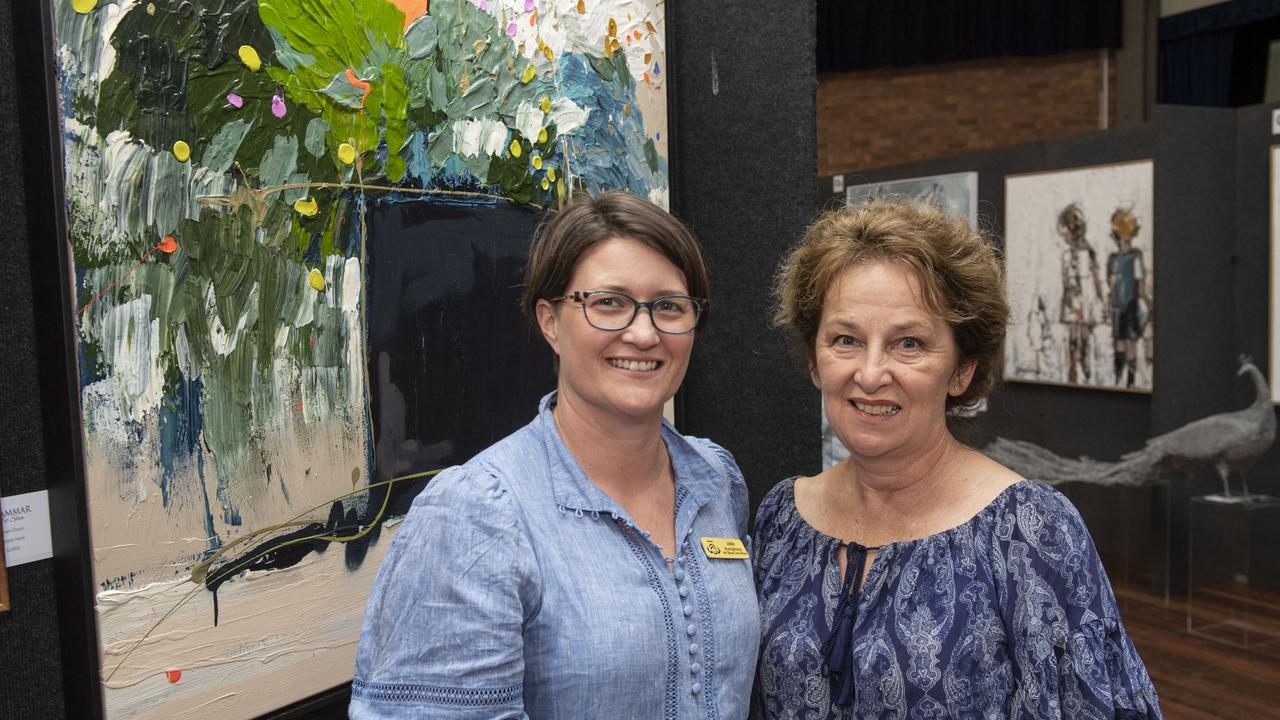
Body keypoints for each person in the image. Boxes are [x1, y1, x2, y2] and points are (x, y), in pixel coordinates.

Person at [350, 190, 759, 719]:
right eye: (608, 302)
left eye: (669, 307)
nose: (643, 332)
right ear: (549, 321)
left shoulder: (716, 480)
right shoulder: (478, 516)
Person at [754, 199, 1161, 719]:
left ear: (962, 370)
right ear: (815, 360)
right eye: (846, 339)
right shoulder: (781, 521)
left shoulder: (1030, 532)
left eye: (909, 343)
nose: (872, 372)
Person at [1057, 203, 1106, 385]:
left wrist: (1101, 300)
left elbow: (1095, 278)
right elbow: (1065, 282)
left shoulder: (1087, 252)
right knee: (1073, 336)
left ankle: (1082, 365)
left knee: (1082, 335)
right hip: (1074, 299)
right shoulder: (1067, 254)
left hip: (1085, 299)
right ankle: (1073, 368)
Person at [1106, 207, 1150, 388]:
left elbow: (1115, 283)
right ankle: (1122, 380)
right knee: (1124, 343)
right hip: (1123, 305)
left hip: (1126, 304)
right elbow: (1138, 283)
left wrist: (1146, 301)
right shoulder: (1128, 256)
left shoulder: (1118, 258)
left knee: (1125, 343)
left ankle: (1125, 380)